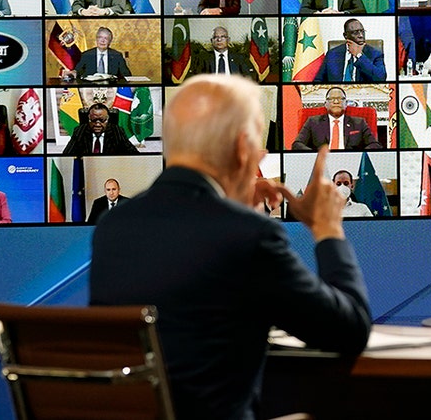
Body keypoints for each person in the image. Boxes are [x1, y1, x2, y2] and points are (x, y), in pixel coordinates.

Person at [90, 75, 372, 419]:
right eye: (259, 144)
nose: (263, 154)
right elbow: (349, 330)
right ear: (242, 148)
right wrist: (328, 229)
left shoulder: (113, 226)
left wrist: (234, 202)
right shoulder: (248, 234)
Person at [292, 87, 381, 151]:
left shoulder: (359, 122)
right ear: (325, 104)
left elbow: (374, 144)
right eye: (331, 99)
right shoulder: (313, 121)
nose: (336, 102)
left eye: (340, 99)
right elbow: (297, 144)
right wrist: (315, 155)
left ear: (346, 103)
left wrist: (359, 155)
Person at [317, 18, 386, 82]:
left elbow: (381, 78)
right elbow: (318, 80)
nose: (361, 35)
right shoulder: (333, 54)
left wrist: (359, 55)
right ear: (345, 35)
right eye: (355, 32)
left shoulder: (375, 54)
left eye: (362, 31)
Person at [63, 103, 139, 156]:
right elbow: (66, 155)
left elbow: (134, 154)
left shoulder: (117, 131)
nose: (98, 124)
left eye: (102, 120)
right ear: (89, 118)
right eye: (94, 120)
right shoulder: (80, 131)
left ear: (108, 119)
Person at [190, 26, 256, 79]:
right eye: (216, 37)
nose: (219, 40)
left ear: (228, 40)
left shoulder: (240, 58)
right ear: (211, 41)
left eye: (223, 37)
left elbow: (251, 77)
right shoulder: (203, 58)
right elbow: (195, 79)